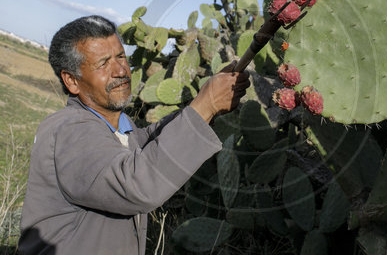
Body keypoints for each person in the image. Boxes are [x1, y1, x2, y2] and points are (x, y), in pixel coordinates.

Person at [18, 15, 250, 255]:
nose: (120, 70)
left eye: (121, 57)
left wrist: (204, 107)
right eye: (103, 63)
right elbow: (139, 184)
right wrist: (205, 105)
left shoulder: (115, 125)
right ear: (71, 81)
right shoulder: (69, 129)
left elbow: (147, 144)